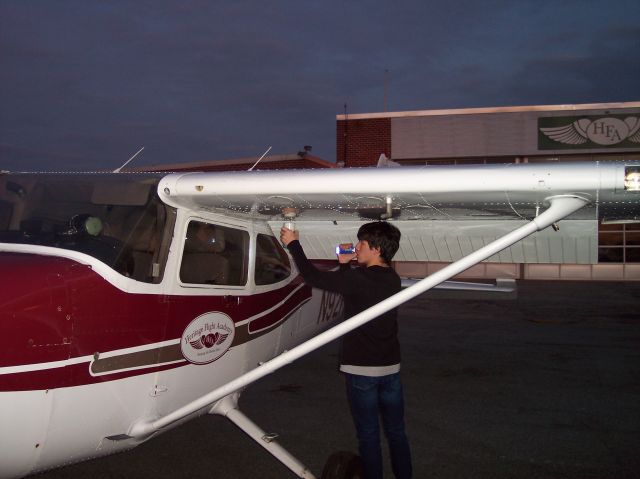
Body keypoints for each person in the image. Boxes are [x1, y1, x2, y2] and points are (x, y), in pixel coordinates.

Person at [280, 221, 412, 479]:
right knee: (396, 432)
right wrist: (345, 264)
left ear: (375, 249)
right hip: (390, 367)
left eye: (362, 243)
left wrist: (293, 243)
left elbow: (312, 277)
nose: (358, 247)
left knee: (369, 435)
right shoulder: (392, 278)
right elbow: (354, 286)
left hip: (362, 369)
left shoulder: (358, 278)